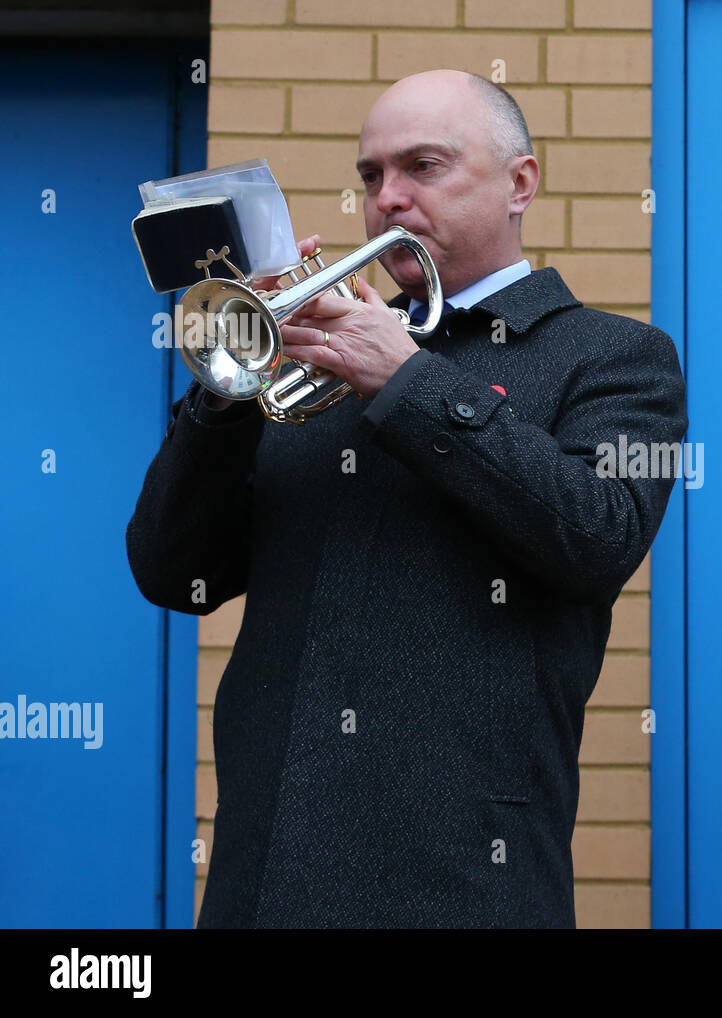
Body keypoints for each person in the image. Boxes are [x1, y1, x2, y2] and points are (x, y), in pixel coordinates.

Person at [126, 70, 688, 928]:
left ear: (520, 184)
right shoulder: (310, 366)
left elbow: (598, 534)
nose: (389, 199)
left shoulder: (619, 358)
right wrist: (228, 390)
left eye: (423, 167)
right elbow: (172, 573)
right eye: (370, 176)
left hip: (462, 879)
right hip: (266, 872)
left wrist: (408, 381)